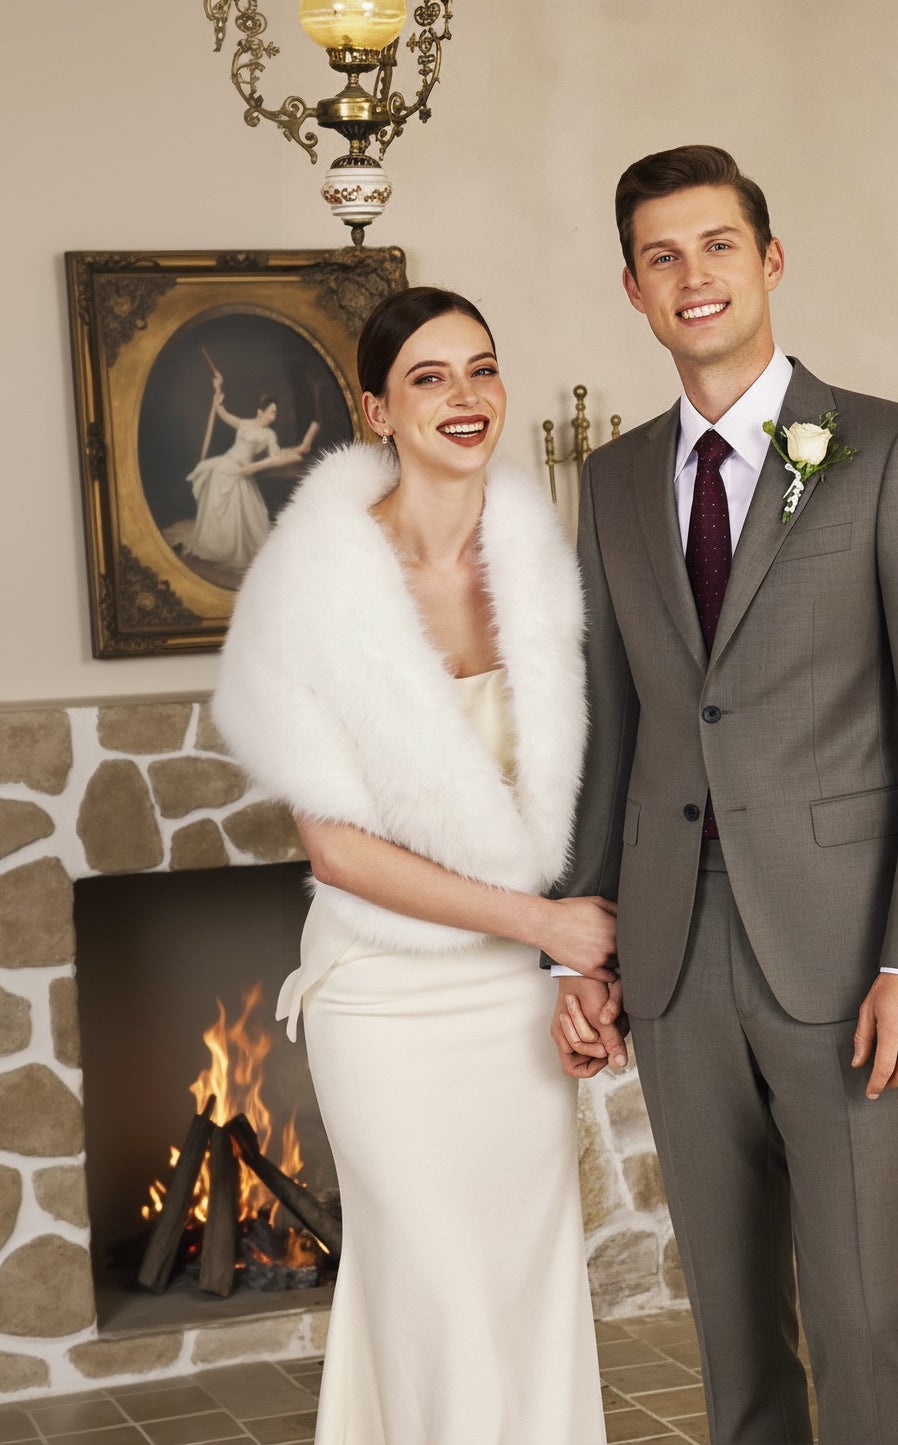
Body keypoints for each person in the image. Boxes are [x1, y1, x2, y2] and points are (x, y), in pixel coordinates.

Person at [549, 146, 898, 1445]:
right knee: (732, 1328)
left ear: (769, 259)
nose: (694, 276)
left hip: (847, 954)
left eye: (718, 246)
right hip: (677, 958)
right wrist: (585, 929)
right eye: (663, 256)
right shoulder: (616, 481)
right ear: (631, 287)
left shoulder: (889, 452)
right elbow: (612, 721)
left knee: (858, 1317)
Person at [213, 286, 613, 1445]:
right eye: (429, 376)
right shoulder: (315, 583)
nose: (464, 396)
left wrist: (565, 968)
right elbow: (335, 846)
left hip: (517, 1003)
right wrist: (546, 927)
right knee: (432, 1282)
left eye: (481, 369)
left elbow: (586, 791)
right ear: (375, 407)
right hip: (385, 998)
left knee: (527, 1287)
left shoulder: (546, 568)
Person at [186, 378, 317, 568]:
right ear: (261, 412)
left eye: (275, 413)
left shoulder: (269, 435)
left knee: (248, 520)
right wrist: (218, 388)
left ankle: (229, 552)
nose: (273, 417)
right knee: (217, 511)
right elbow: (222, 412)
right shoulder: (244, 423)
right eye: (271, 412)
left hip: (242, 472)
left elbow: (276, 456)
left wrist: (298, 449)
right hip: (225, 466)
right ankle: (214, 549)